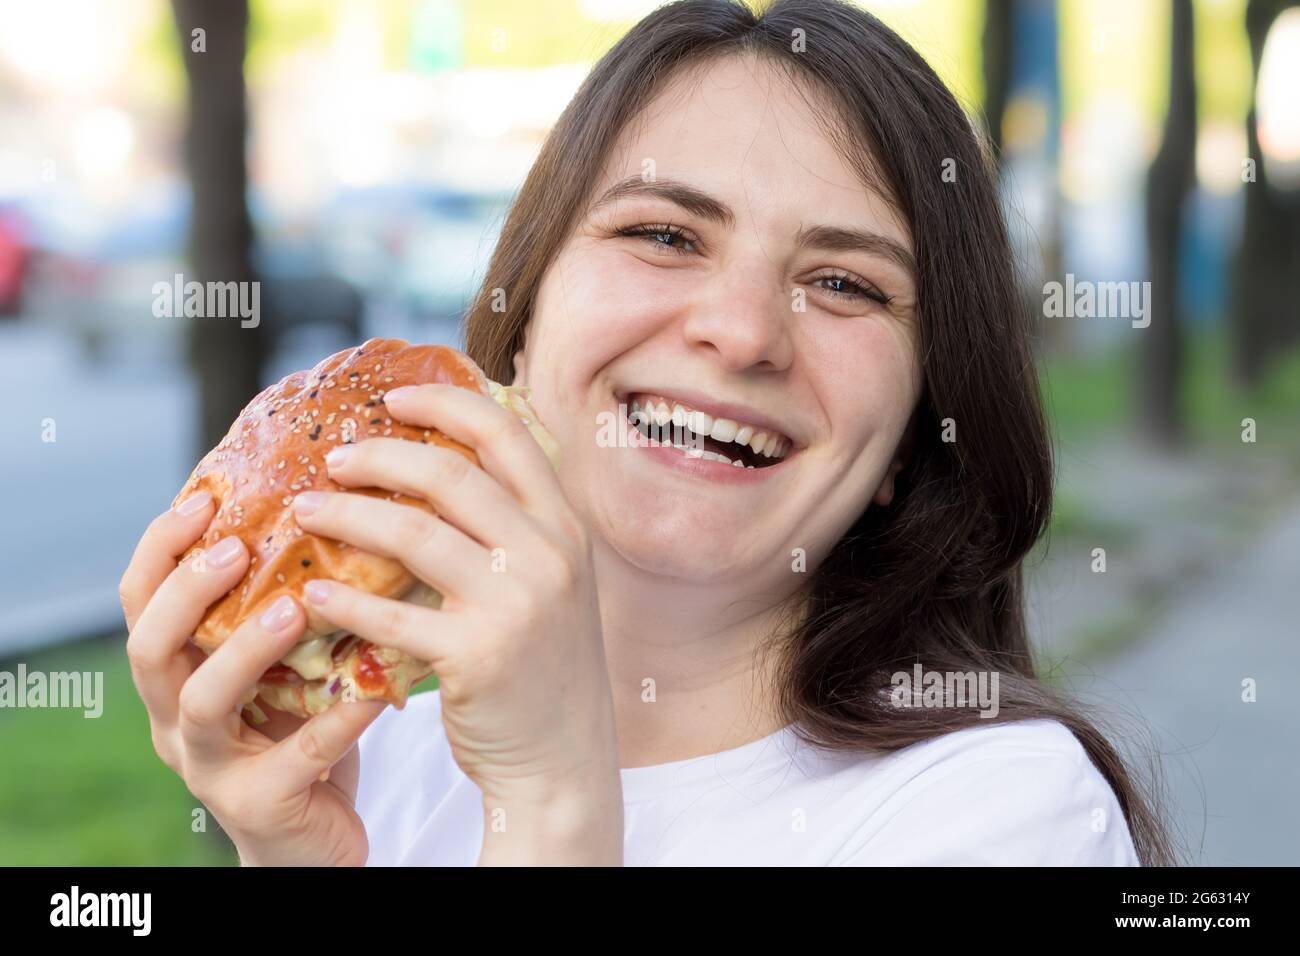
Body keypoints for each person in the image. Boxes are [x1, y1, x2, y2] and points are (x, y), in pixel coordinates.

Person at [120, 0, 1172, 866]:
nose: (741, 330)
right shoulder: (381, 754)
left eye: (844, 282)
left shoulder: (1006, 813)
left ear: (912, 432)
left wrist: (550, 811)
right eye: (663, 234)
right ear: (523, 323)